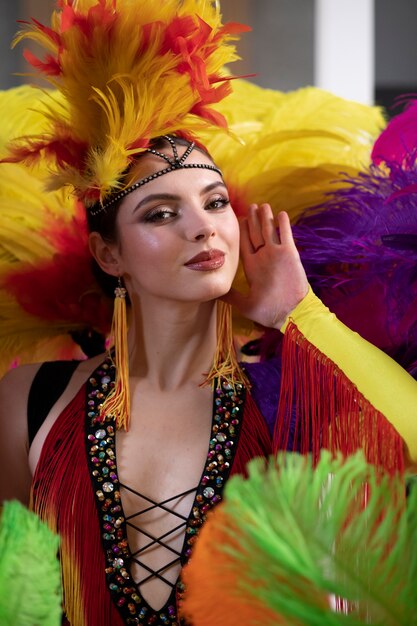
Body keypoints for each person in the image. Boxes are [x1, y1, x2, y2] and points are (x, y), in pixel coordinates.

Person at [0, 2, 416, 625]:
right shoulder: (30, 403)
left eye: (214, 202)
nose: (201, 228)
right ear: (108, 254)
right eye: (161, 213)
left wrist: (300, 313)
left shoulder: (290, 396)